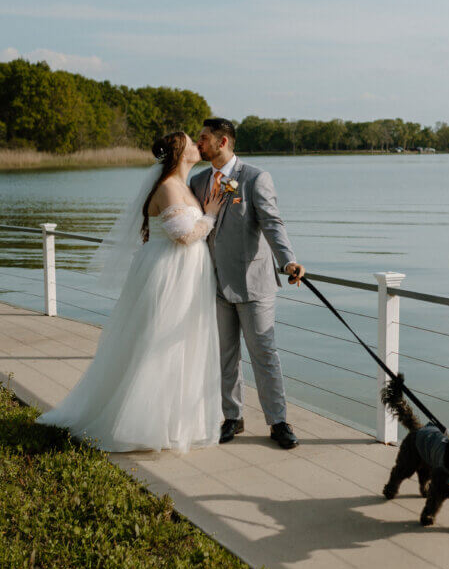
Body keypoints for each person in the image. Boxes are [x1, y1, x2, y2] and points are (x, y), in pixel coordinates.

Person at [38, 132, 225, 452]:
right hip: (167, 275)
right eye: (192, 143)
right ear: (180, 153)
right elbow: (182, 235)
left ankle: (173, 423)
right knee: (157, 342)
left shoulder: (185, 187)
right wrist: (209, 216)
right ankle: (142, 425)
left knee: (181, 344)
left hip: (186, 276)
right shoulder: (167, 187)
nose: (198, 146)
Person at [191, 118, 305, 449]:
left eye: (204, 139)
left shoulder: (255, 178)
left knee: (264, 354)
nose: (199, 144)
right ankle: (233, 417)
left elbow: (273, 223)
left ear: (222, 141)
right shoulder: (198, 181)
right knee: (225, 355)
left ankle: (279, 422)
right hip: (214, 284)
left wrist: (288, 261)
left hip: (254, 285)